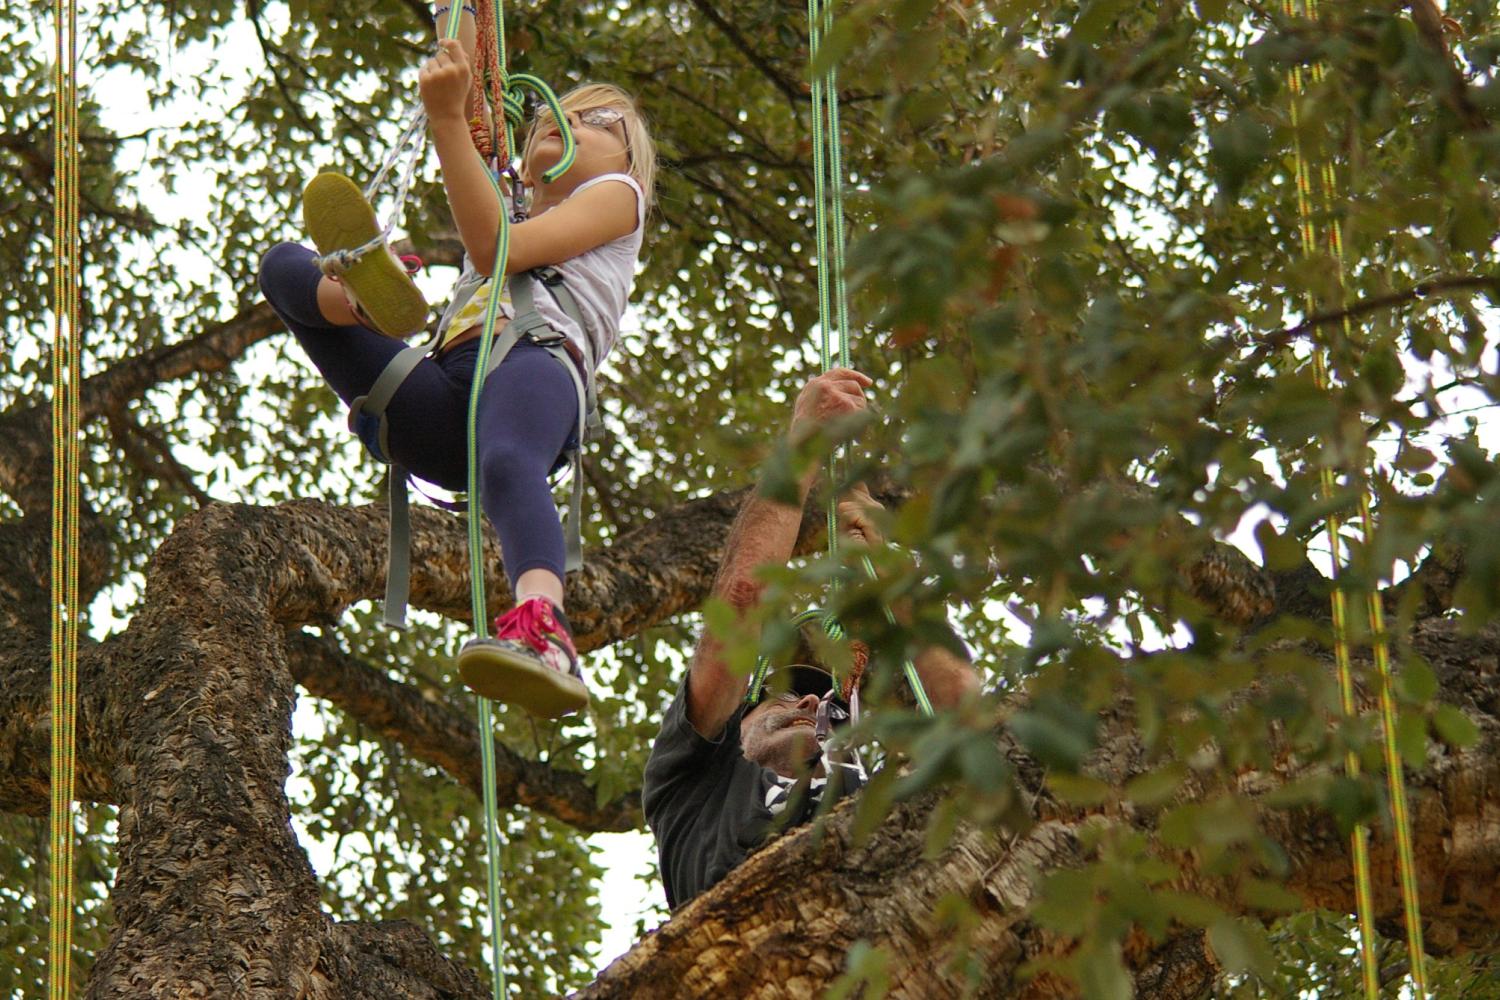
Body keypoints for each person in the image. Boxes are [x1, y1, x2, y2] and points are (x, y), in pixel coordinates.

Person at [257, 6, 657, 719]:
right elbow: (465, 75)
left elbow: (492, 249)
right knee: (283, 267)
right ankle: (353, 301)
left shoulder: (616, 198)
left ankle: (546, 629)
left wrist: (447, 119)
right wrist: (460, 41)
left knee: (509, 461)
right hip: (443, 398)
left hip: (531, 369)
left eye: (597, 124)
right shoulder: (510, 199)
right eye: (552, 120)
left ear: (628, 162)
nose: (564, 128)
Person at [642, 368, 981, 908]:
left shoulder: (874, 805)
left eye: (833, 711)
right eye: (783, 691)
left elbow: (970, 716)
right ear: (736, 721)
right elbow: (744, 597)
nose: (808, 701)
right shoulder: (692, 782)